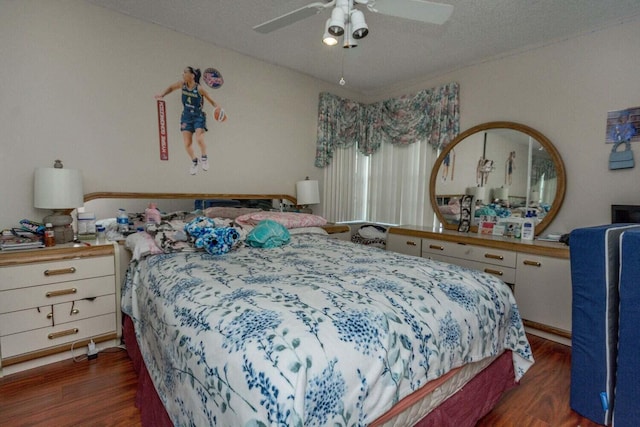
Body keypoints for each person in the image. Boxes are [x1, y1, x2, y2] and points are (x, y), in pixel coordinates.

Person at [155, 67, 222, 175]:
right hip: (186, 116)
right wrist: (162, 94)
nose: (183, 74)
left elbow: (212, 101)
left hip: (198, 116)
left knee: (199, 139)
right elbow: (172, 88)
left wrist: (218, 107)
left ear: (192, 75)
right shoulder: (182, 84)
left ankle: (204, 157)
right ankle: (195, 161)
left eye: (185, 72)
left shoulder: (199, 89)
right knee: (187, 143)